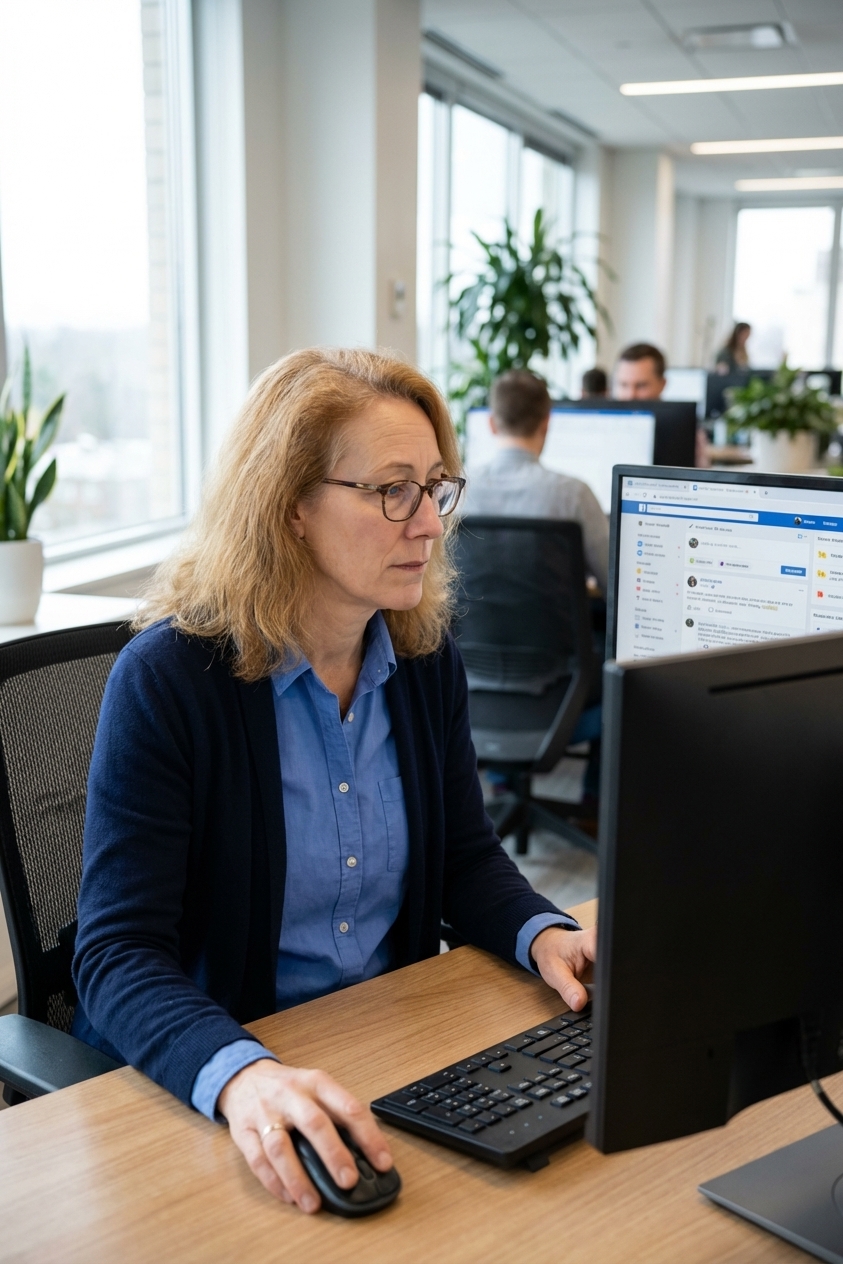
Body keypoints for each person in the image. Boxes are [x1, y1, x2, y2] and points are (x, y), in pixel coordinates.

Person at [71, 348, 596, 1217]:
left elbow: (464, 856)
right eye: (393, 490)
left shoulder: (424, 661)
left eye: (435, 487)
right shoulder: (170, 680)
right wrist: (244, 1079)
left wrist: (542, 932)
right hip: (232, 1072)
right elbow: (117, 953)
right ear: (291, 511)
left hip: (390, 1048)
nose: (428, 524)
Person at [461, 369, 609, 593]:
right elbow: (612, 583)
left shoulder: (458, 488)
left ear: (491, 423)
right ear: (546, 423)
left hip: (468, 628)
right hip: (555, 628)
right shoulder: (574, 494)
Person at [614, 341, 709, 468]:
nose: (631, 395)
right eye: (623, 385)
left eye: (641, 385)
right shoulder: (603, 425)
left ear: (662, 384)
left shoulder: (683, 428)